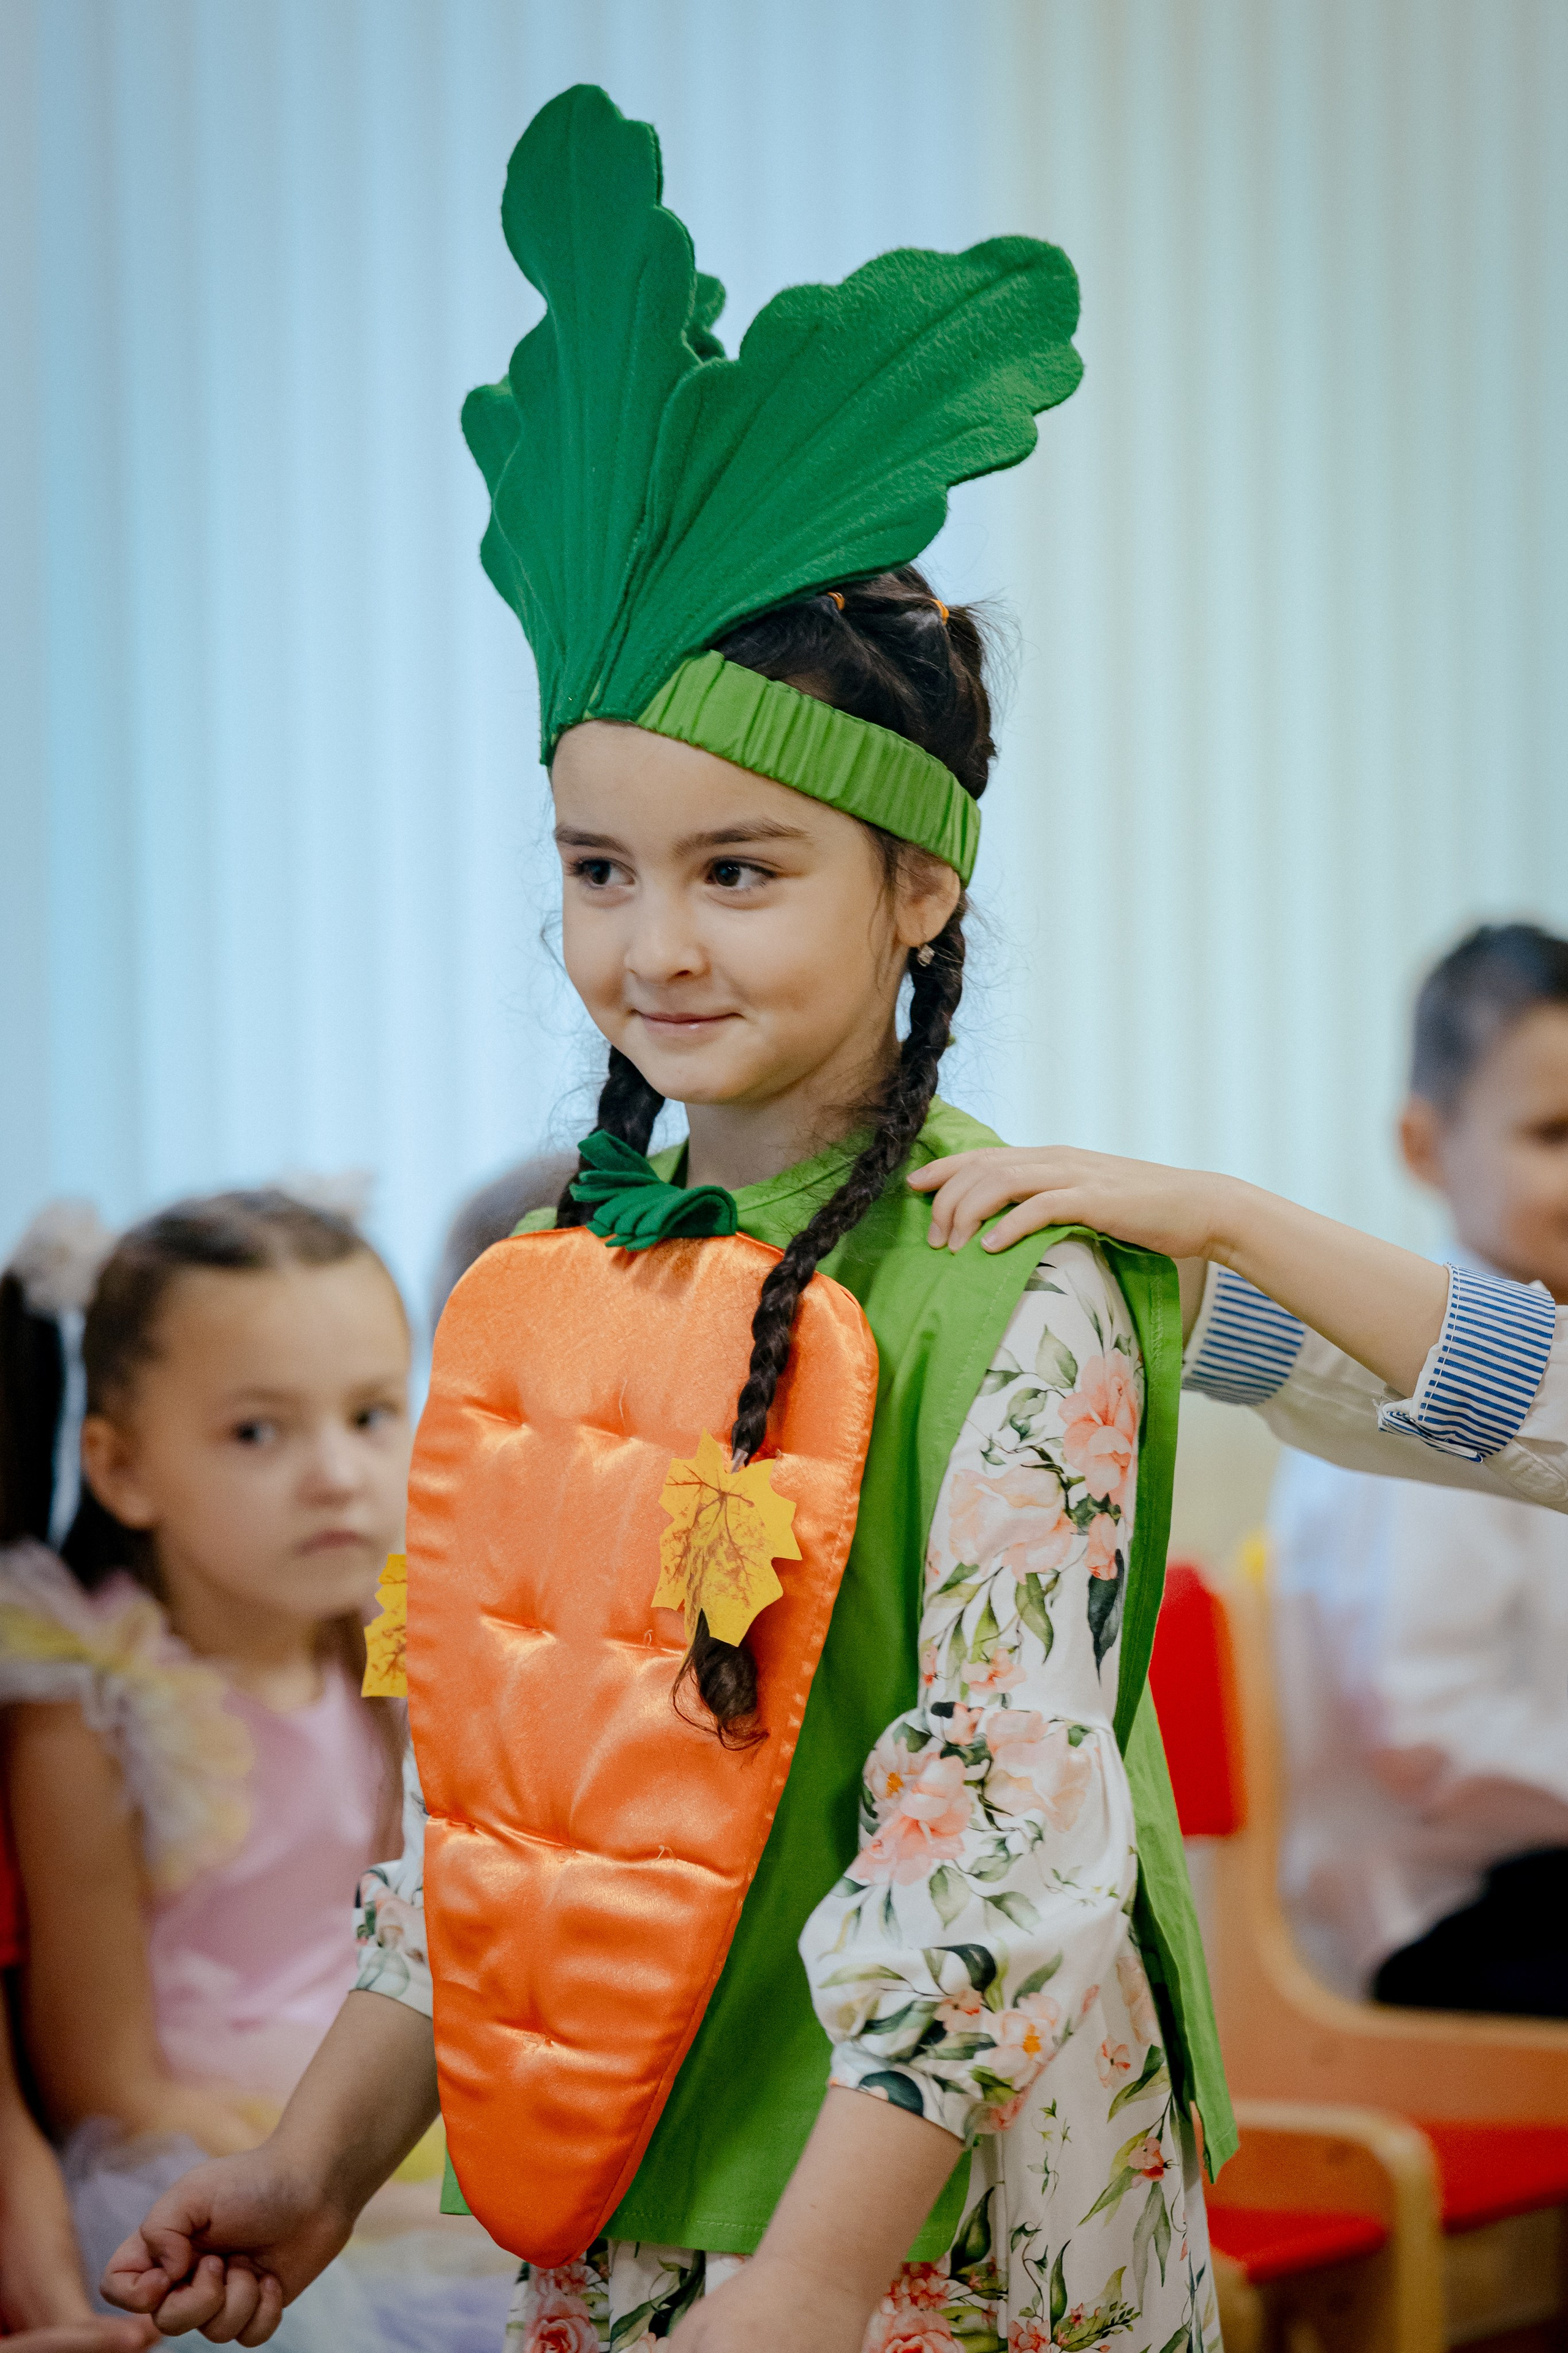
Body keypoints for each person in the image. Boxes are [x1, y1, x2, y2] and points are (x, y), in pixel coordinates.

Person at [103, 83, 1231, 2353]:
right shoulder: (552, 1286)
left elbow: (1000, 1852)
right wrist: (314, 2168)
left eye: (741, 869)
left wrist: (806, 2284)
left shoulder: (1016, 1290)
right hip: (621, 2181)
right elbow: (504, 1812)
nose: (656, 945)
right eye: (599, 869)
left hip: (919, 2233)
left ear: (921, 887)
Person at [0, 1193, 512, 2352]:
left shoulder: (392, 1642)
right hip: (200, 2150)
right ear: (120, 1466)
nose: (337, 1475)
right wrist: (329, 2172)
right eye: (256, 1433)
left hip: (386, 2099)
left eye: (372, 1413)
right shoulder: (88, 1698)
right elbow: (100, 2077)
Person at [1265, 924, 1568, 2012]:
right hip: (1438, 1906)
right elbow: (1429, 1723)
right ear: (1426, 1145)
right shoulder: (1430, 1375)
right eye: (1555, 1132)